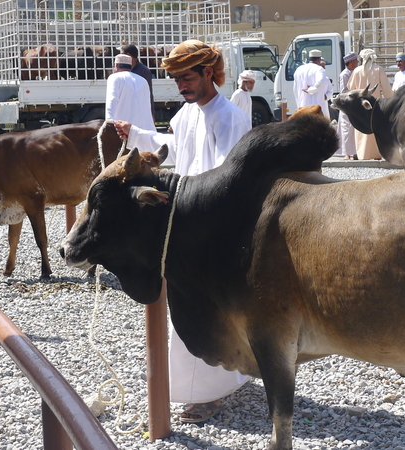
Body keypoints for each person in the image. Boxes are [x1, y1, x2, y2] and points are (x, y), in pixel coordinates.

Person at [113, 39, 252, 423]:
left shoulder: (231, 117)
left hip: (212, 225)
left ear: (209, 72)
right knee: (186, 308)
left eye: (186, 77)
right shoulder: (185, 114)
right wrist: (137, 135)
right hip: (182, 223)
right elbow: (172, 147)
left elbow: (230, 173)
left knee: (206, 309)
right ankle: (216, 384)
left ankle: (207, 395)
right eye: (175, 79)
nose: (181, 85)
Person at [347, 49, 393, 160]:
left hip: (359, 106)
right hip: (375, 105)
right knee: (375, 129)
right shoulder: (378, 69)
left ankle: (363, 155)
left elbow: (350, 87)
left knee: (361, 129)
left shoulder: (357, 71)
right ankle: (376, 155)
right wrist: (390, 99)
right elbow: (386, 89)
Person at [105, 54, 155, 132]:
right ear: (131, 67)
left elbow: (112, 100)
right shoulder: (143, 80)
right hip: (145, 132)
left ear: (116, 67)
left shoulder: (114, 78)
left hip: (124, 131)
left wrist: (109, 124)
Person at [293, 49, 330, 117]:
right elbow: (321, 81)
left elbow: (295, 90)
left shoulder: (299, 69)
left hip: (303, 107)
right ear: (319, 59)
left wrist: (299, 105)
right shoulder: (319, 69)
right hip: (316, 109)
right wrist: (310, 90)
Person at [337, 52, 359, 159]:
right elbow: (343, 91)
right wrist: (355, 91)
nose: (357, 62)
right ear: (350, 62)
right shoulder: (344, 75)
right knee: (346, 130)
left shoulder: (356, 72)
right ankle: (347, 153)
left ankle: (355, 152)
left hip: (355, 105)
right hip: (346, 105)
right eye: (356, 60)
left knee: (355, 129)